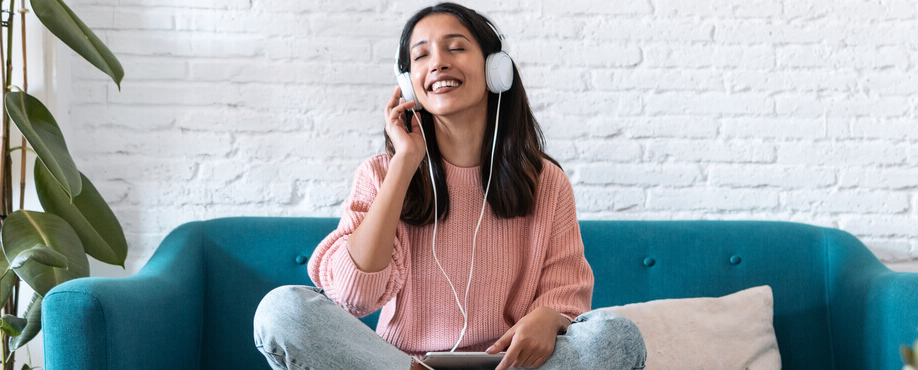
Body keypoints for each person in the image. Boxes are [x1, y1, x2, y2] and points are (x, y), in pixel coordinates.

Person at [253, 3, 647, 369]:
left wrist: (550, 316)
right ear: (408, 84)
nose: (438, 62)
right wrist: (405, 162)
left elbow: (566, 290)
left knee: (616, 336)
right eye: (421, 55)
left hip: (507, 364)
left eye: (455, 48)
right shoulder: (381, 174)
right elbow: (354, 296)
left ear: (497, 69)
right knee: (283, 310)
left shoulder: (545, 181)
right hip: (404, 365)